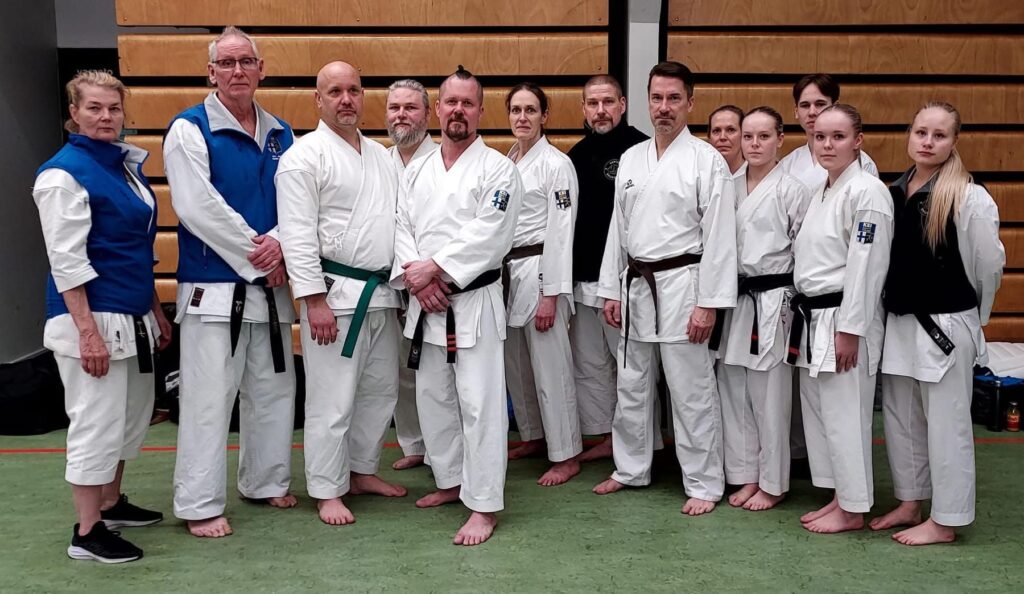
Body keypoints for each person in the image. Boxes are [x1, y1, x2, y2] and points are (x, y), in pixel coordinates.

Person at [165, 26, 297, 538]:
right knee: (208, 398)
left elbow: (299, 202)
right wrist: (259, 254)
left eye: (246, 62)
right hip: (215, 289)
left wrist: (281, 242)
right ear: (211, 72)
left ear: (261, 70)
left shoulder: (281, 133)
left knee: (273, 389)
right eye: (227, 63)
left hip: (271, 286)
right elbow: (197, 206)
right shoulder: (189, 129)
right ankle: (199, 503)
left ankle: (265, 480)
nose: (237, 70)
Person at [34, 70, 171, 563]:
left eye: (113, 108)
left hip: (131, 313)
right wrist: (88, 333)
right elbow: (66, 261)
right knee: (95, 422)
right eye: (93, 107)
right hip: (91, 317)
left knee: (128, 418)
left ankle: (111, 504)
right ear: (73, 113)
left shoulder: (122, 166)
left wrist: (154, 309)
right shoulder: (62, 174)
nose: (105, 116)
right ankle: (87, 532)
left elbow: (137, 249)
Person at [593, 61, 737, 516]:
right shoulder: (633, 157)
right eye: (657, 98)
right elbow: (619, 228)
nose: (664, 107)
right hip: (636, 284)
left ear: (690, 103)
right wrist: (610, 288)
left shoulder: (706, 160)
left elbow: (720, 238)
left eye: (674, 98)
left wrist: (708, 304)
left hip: (683, 285)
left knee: (690, 388)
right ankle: (631, 468)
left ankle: (704, 482)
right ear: (647, 101)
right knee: (632, 384)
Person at [390, 67, 523, 545]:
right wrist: (417, 278)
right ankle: (451, 481)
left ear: (480, 111)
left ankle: (484, 505)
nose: (458, 111)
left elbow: (491, 235)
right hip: (427, 302)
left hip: (474, 302)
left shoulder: (499, 169)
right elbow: (400, 226)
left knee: (480, 405)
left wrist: (436, 269)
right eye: (451, 102)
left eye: (468, 103)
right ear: (437, 109)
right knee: (434, 398)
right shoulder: (418, 169)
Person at [276, 61, 409, 526]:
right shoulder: (303, 157)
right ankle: (327, 488)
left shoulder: (380, 155)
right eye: (335, 91)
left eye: (353, 90)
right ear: (318, 100)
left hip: (381, 293)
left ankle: (360, 470)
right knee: (332, 399)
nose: (346, 99)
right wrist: (312, 299)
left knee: (380, 391)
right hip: (333, 296)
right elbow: (296, 233)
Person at [870, 102, 1004, 545]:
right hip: (900, 321)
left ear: (954, 142)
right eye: (921, 132)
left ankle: (947, 519)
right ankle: (910, 502)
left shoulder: (968, 195)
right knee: (901, 419)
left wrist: (972, 318)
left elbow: (988, 266)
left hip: (946, 322)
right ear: (909, 135)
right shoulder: (893, 192)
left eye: (939, 135)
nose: (928, 142)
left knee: (947, 424)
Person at [790, 103, 892, 534]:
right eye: (820, 137)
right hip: (814, 317)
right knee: (823, 415)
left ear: (858, 141)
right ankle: (838, 497)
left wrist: (851, 329)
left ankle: (853, 508)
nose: (827, 145)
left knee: (847, 416)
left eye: (838, 137)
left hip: (843, 318)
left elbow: (867, 266)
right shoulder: (824, 189)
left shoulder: (867, 191)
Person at [717, 107, 811, 511]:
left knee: (769, 395)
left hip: (773, 300)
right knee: (734, 388)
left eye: (763, 136)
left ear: (780, 140)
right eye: (748, 136)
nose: (754, 144)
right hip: (735, 298)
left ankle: (774, 482)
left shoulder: (792, 190)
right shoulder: (728, 186)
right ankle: (746, 475)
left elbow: (805, 251)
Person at [502, 82, 582, 485]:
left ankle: (566, 454)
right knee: (517, 365)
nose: (522, 117)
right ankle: (534, 435)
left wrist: (551, 294)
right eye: (516, 110)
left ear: (544, 116)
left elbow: (562, 232)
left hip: (540, 270)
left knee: (552, 368)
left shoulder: (556, 164)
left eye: (530, 110)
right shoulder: (508, 160)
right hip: (509, 273)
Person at [566, 75, 648, 462]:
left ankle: (640, 442)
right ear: (583, 108)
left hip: (623, 279)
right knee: (590, 363)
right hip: (583, 275)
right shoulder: (575, 156)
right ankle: (606, 435)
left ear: (623, 104)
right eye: (592, 103)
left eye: (608, 102)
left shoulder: (641, 150)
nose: (600, 111)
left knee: (630, 366)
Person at [385, 78, 438, 471]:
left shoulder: (444, 160)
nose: (401, 115)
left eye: (410, 107)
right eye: (394, 107)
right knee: (401, 368)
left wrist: (425, 278)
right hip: (392, 281)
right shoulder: (378, 160)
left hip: (437, 283)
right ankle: (414, 444)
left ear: (428, 114)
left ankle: (443, 451)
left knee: (438, 373)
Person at [779, 73, 879, 189]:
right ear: (796, 111)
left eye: (820, 104)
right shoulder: (787, 165)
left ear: (835, 106)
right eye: (805, 105)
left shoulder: (861, 163)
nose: (812, 112)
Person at [708, 105, 745, 176]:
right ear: (709, 138)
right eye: (716, 131)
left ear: (743, 135)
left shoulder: (759, 176)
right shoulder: (699, 175)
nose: (722, 137)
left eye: (730, 130)